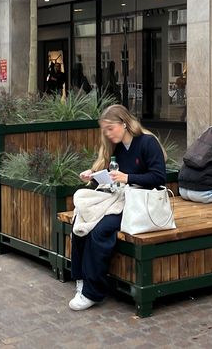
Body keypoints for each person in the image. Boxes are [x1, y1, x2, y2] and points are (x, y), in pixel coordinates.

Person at [72, 105, 167, 311]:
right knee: (81, 221)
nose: (107, 133)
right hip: (119, 199)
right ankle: (81, 279)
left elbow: (159, 177)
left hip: (141, 204)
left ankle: (92, 291)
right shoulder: (114, 147)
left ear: (124, 124)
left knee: (99, 230)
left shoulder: (147, 143)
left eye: (110, 128)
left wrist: (128, 177)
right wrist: (93, 176)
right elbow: (112, 179)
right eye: (105, 130)